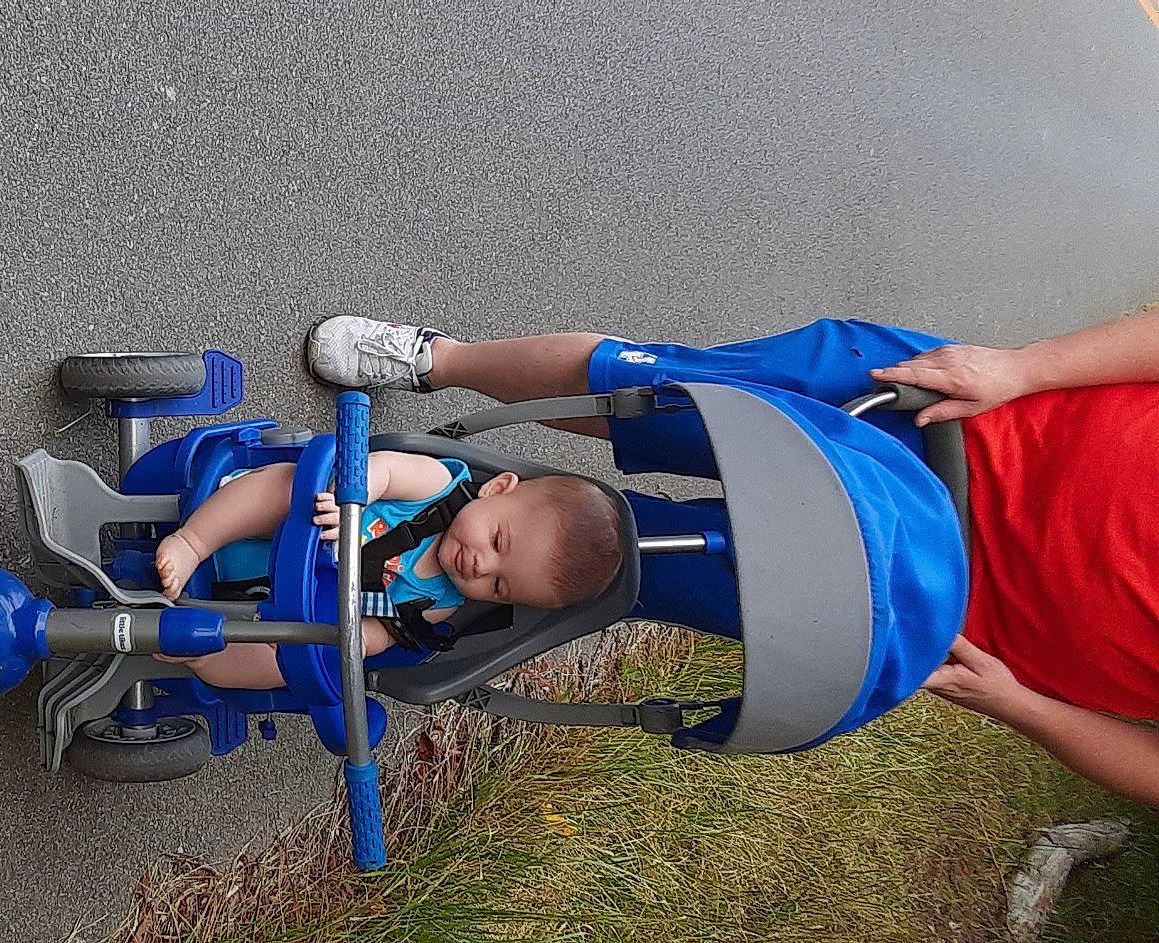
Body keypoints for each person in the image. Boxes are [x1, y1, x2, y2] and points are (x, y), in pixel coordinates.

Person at [306, 307, 1159, 805]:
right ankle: (435, 360)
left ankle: (380, 587)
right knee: (643, 395)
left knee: (594, 568)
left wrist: (1024, 706)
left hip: (898, 604)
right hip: (958, 427)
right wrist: (1024, 367)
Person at [152, 451, 623, 689]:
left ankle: (199, 653)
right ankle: (193, 542)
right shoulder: (439, 487)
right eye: (498, 541)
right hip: (284, 524)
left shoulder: (439, 601)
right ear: (497, 489)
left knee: (289, 662)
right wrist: (354, 499)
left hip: (279, 602)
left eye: (499, 586)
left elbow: (384, 632)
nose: (482, 566)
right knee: (288, 487)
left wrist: (357, 643)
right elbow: (385, 469)